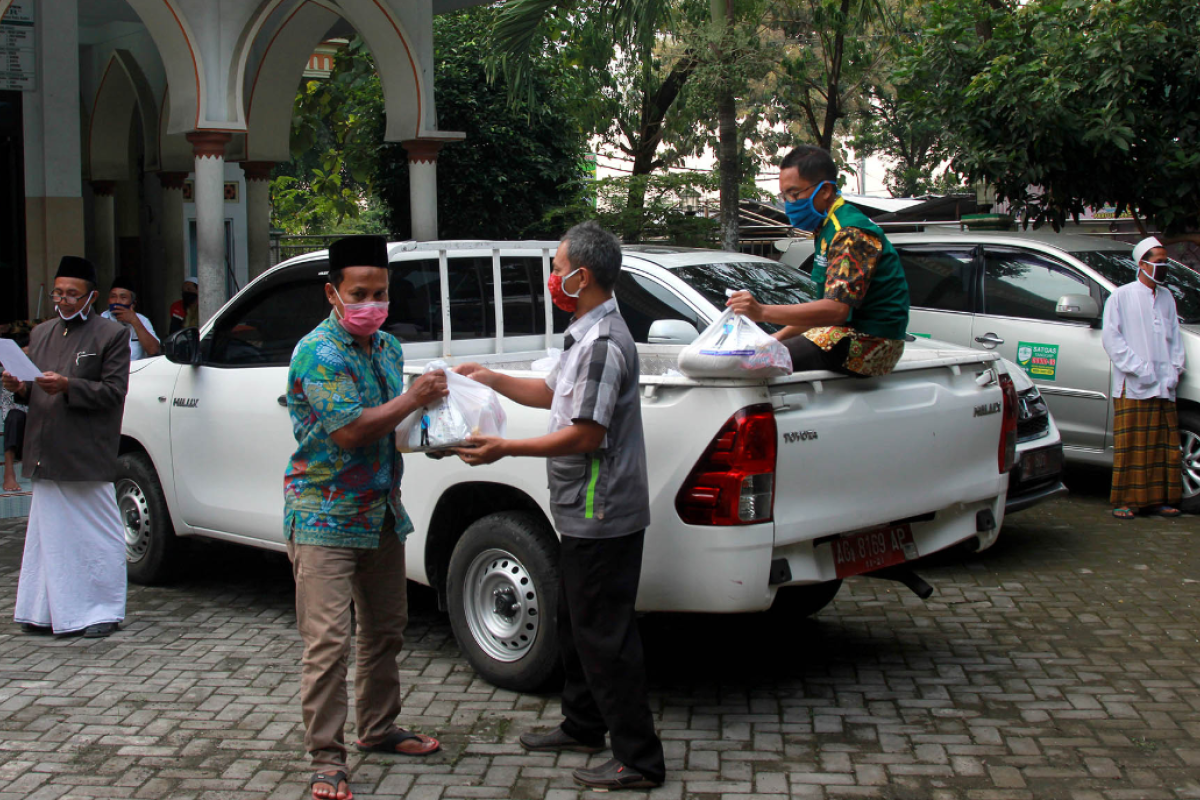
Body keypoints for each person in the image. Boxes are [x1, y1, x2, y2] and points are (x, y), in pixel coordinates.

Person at [454, 221, 666, 791]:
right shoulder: (583, 332)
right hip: (582, 508)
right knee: (576, 621)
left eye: (556, 267)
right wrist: (492, 378)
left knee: (605, 635)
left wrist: (505, 449)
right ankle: (582, 723)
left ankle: (639, 759)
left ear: (582, 276)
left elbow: (586, 435)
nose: (550, 278)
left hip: (603, 513)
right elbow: (552, 393)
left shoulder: (603, 345)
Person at [284, 235, 447, 800]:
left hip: (378, 512)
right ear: (333, 293)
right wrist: (416, 399)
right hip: (322, 517)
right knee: (328, 642)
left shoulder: (387, 349)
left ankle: (377, 729)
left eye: (381, 293)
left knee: (385, 632)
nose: (372, 304)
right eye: (360, 293)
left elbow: (389, 428)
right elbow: (351, 429)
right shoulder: (317, 353)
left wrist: (436, 437)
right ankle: (326, 759)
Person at [2, 256, 130, 638]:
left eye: (73, 294)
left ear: (90, 296)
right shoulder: (41, 334)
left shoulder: (110, 335)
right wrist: (18, 386)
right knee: (48, 535)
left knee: (99, 534)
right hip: (45, 446)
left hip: (85, 450)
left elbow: (114, 392)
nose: (64, 300)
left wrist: (70, 386)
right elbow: (33, 388)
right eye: (58, 292)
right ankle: (45, 611)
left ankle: (103, 610)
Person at [727, 145, 910, 377]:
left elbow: (835, 311)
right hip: (844, 335)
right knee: (758, 354)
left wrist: (762, 311)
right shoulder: (827, 229)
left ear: (824, 190)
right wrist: (775, 338)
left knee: (749, 363)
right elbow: (821, 314)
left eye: (794, 194)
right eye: (785, 196)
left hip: (871, 344)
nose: (789, 203)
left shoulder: (849, 232)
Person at [1101, 236, 1186, 519]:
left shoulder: (1167, 298)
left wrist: (1174, 370)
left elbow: (1175, 340)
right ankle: (1126, 501)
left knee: (1163, 446)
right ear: (1142, 264)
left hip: (1164, 385)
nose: (1163, 267)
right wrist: (1141, 369)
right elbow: (1112, 340)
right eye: (1159, 262)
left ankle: (1158, 501)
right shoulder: (1121, 296)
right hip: (1133, 385)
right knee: (1133, 446)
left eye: (1165, 261)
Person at [101, 276, 160, 359]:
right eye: (113, 296)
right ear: (108, 301)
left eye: (123, 297)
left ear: (133, 303)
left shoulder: (143, 320)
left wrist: (134, 321)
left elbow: (154, 350)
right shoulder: (101, 320)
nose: (117, 301)